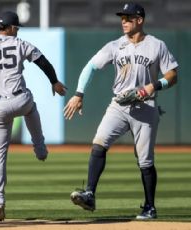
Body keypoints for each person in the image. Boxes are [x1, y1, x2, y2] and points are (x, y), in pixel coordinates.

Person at [64, 3, 178, 220]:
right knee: (99, 143)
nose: (123, 21)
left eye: (128, 17)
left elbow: (173, 75)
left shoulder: (156, 45)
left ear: (140, 20)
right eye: (122, 18)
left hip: (146, 107)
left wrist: (153, 86)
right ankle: (89, 194)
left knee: (145, 160)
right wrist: (79, 93)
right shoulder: (115, 46)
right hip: (119, 104)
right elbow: (90, 66)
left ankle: (150, 207)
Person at [0, 11, 67, 221]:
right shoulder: (20, 44)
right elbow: (43, 62)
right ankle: (39, 147)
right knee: (31, 107)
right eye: (16, 28)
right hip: (19, 100)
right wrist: (54, 81)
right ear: (9, 28)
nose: (16, 31)